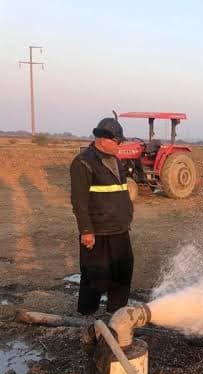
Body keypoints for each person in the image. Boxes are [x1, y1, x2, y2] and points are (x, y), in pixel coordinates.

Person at [70, 117, 134, 315]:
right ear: (103, 139)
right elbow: (79, 201)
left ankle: (117, 311)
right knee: (94, 273)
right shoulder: (83, 163)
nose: (120, 144)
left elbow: (121, 190)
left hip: (120, 228)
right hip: (98, 230)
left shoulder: (116, 160)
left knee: (123, 270)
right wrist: (86, 230)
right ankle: (87, 313)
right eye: (118, 141)